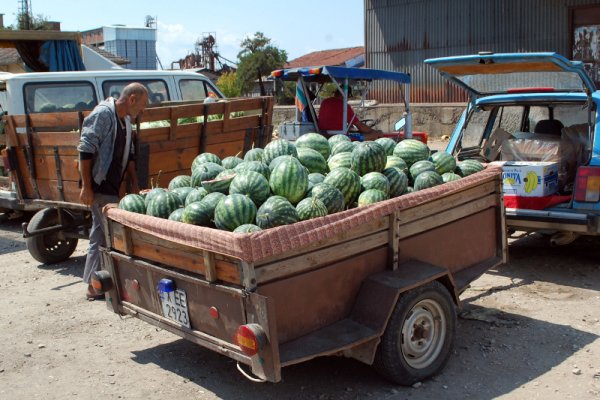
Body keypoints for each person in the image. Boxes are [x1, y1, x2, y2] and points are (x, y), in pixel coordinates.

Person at [77, 82, 149, 301]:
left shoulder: (126, 121)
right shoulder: (103, 114)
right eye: (143, 104)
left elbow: (131, 155)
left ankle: (98, 283)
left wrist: (135, 185)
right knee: (101, 233)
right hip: (99, 186)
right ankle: (93, 286)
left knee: (102, 232)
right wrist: (87, 187)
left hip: (112, 187)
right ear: (132, 99)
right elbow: (85, 150)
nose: (143, 110)